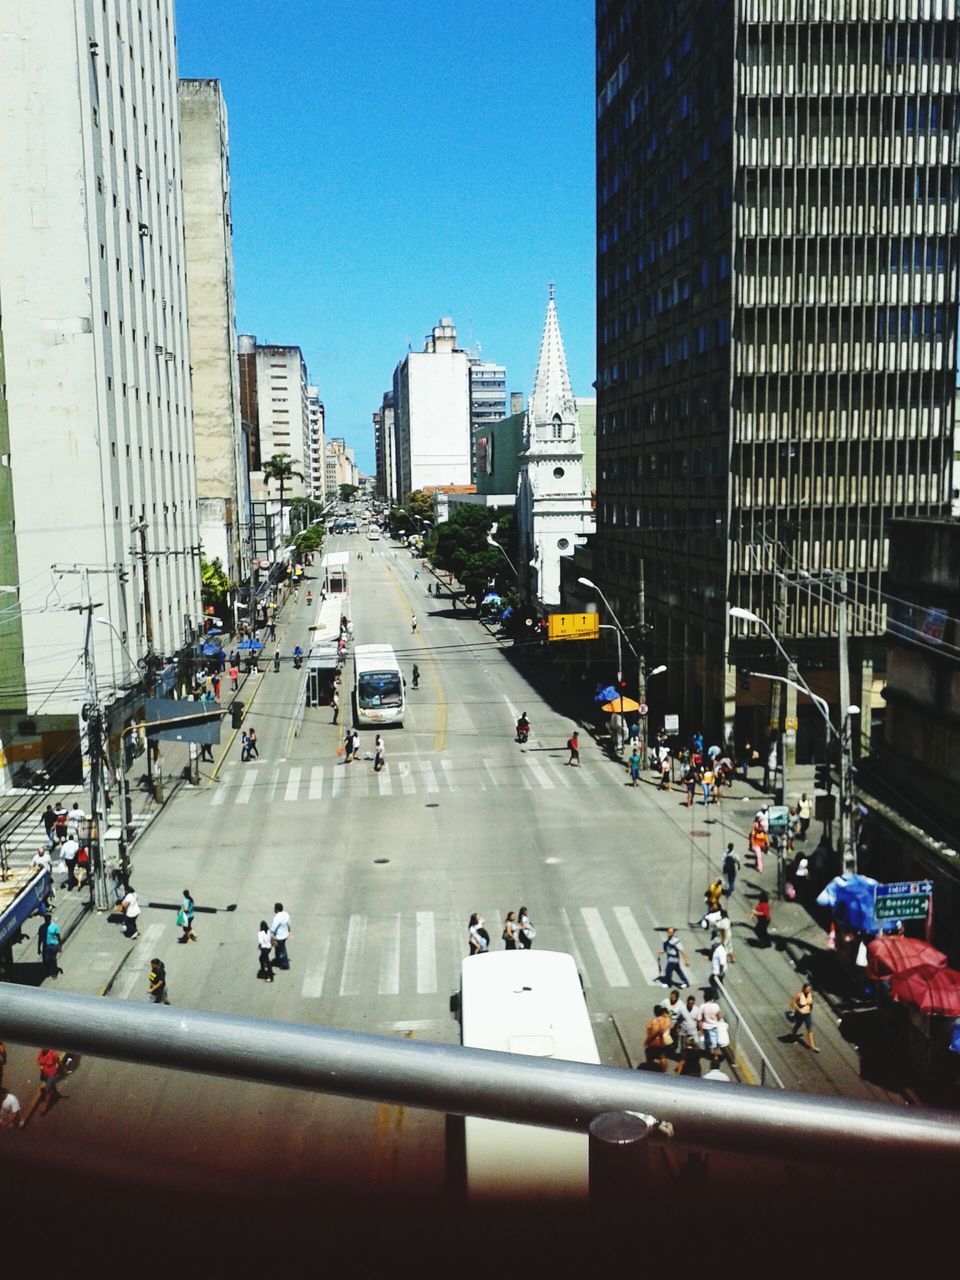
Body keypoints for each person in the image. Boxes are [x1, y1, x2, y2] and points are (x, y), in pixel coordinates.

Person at [789, 982, 819, 1052]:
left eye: (809, 989)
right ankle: (793, 1035)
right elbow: (792, 1003)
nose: (808, 991)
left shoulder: (810, 995)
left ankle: (812, 1046)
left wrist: (810, 1008)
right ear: (803, 988)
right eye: (807, 989)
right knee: (798, 1025)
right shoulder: (799, 995)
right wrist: (799, 1009)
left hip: (807, 1014)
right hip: (800, 1014)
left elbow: (811, 1003)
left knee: (809, 1028)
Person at [643, 1005, 672, 1073]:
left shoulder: (656, 1021)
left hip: (656, 1041)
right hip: (666, 1041)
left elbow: (655, 1032)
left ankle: (651, 1071)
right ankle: (664, 1072)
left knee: (649, 1054)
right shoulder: (667, 1019)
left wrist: (647, 1041)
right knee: (662, 1056)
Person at [698, 995, 723, 1068]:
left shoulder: (702, 1006)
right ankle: (715, 1056)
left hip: (706, 1026)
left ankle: (708, 1052)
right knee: (716, 1042)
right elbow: (719, 1016)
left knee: (707, 1041)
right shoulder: (716, 1006)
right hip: (715, 1026)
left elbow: (700, 1019)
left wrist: (700, 1031)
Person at [36, 1048, 61, 1115]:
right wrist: (41, 1067)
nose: (43, 1049)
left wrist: (58, 1068)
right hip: (45, 1074)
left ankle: (44, 1108)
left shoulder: (53, 1054)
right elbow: (39, 1061)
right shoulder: (40, 1052)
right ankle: (56, 1093)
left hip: (52, 1073)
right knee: (50, 1086)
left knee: (47, 1089)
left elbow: (58, 1061)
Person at [270, 903, 291, 970]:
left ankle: (285, 964)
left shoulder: (277, 917)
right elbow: (289, 923)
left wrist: (271, 934)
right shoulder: (286, 914)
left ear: (276, 909)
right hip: (285, 934)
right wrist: (289, 932)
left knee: (282, 950)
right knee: (278, 948)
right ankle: (277, 960)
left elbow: (274, 927)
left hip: (279, 936)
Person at [40, 914, 62, 980]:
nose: (47, 920)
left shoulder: (54, 927)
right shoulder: (42, 927)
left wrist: (59, 946)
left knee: (53, 959)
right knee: (46, 959)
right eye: (46, 919)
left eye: (48, 919)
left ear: (50, 919)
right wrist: (38, 947)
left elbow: (58, 937)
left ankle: (54, 973)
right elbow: (40, 938)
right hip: (46, 946)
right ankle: (48, 971)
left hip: (53, 946)